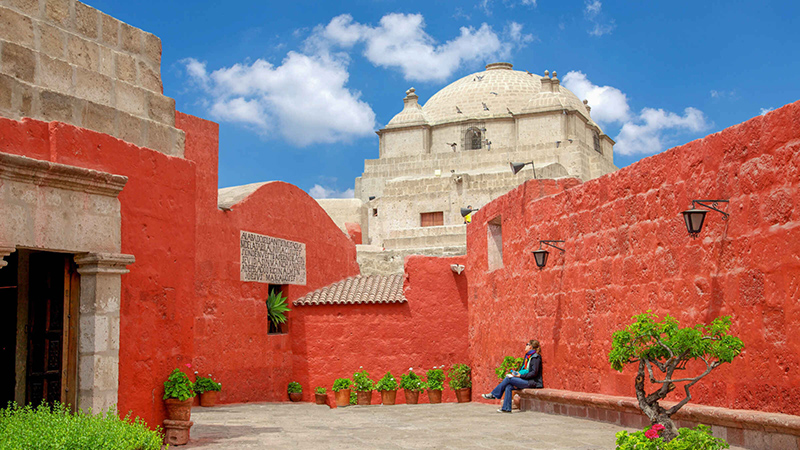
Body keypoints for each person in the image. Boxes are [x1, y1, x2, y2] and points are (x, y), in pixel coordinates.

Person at [482, 339, 543, 413]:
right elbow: (523, 369)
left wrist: (520, 376)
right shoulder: (527, 356)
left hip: (532, 382)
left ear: (530, 346)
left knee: (508, 379)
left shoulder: (535, 357)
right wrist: (516, 374)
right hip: (525, 379)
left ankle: (494, 394)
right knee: (509, 386)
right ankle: (506, 408)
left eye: (527, 344)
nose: (525, 346)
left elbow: (534, 373)